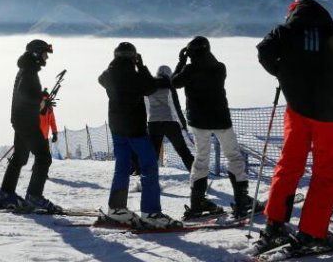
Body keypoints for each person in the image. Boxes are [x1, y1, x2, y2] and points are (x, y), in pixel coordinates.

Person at [254, 0, 333, 252]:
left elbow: (263, 51)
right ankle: (313, 233)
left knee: (289, 164)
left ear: (293, 12)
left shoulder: (284, 31)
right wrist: (332, 82)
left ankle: (274, 227)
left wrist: (284, 73)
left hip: (296, 109)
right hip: (329, 113)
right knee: (326, 171)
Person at [98, 42, 181, 228]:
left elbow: (101, 77)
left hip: (117, 129)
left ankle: (117, 208)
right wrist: (141, 66)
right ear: (133, 57)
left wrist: (115, 63)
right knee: (149, 167)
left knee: (122, 167)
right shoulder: (134, 76)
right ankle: (151, 212)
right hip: (135, 129)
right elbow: (150, 87)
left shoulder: (109, 75)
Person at [173, 36, 255, 219]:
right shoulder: (220, 68)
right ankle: (242, 201)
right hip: (221, 120)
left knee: (201, 159)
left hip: (198, 122)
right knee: (233, 156)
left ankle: (197, 203)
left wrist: (181, 61)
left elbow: (174, 83)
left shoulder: (189, 69)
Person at [0, 39, 60, 213]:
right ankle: (34, 196)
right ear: (36, 53)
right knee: (44, 157)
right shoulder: (29, 71)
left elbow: (28, 94)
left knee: (20, 158)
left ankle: (6, 194)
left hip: (21, 119)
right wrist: (40, 100)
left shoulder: (27, 69)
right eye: (44, 53)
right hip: (26, 120)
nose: (46, 57)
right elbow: (25, 94)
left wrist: (41, 98)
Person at [145, 65, 194, 170]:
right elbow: (176, 108)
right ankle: (198, 175)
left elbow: (146, 106)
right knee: (183, 151)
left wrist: (147, 122)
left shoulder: (149, 86)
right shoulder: (170, 87)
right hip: (170, 123)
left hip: (153, 123)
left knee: (153, 153)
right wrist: (183, 125)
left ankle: (148, 178)